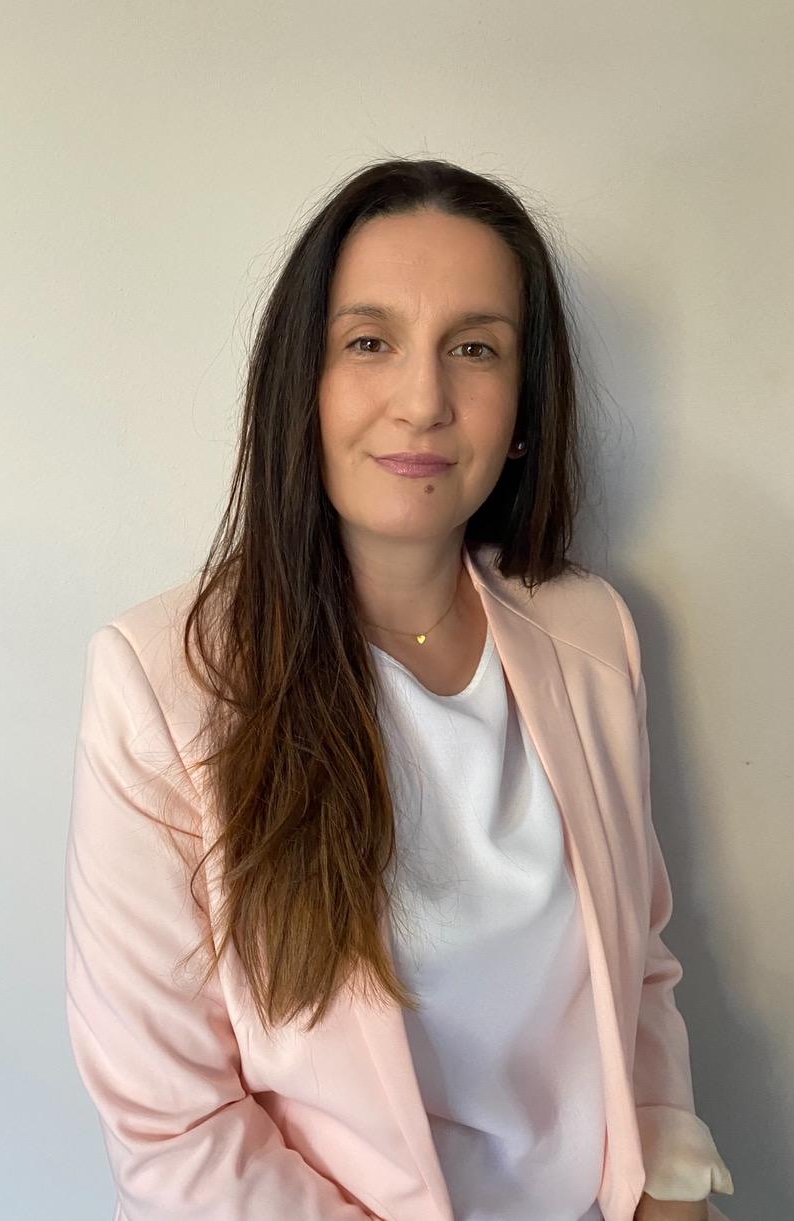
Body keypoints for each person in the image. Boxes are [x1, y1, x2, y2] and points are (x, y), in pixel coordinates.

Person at [64, 158, 735, 1221]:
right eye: (370, 342)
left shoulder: (590, 630)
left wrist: (670, 1180)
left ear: (524, 408)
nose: (423, 401)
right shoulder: (162, 682)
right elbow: (173, 1127)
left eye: (474, 348)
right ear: (303, 384)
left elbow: (639, 964)